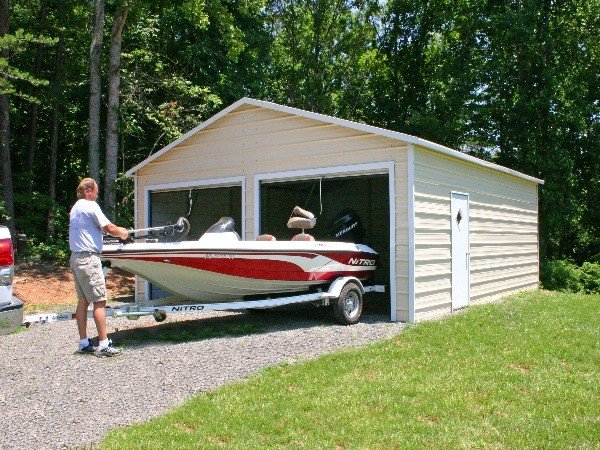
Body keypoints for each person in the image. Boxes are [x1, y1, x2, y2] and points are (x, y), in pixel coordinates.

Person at [69, 178, 128, 357]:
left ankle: (83, 343)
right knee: (100, 301)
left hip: (76, 258)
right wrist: (123, 233)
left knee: (83, 301)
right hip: (88, 259)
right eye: (95, 191)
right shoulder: (90, 205)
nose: (96, 195)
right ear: (88, 191)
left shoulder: (75, 208)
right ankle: (103, 345)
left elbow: (90, 229)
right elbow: (109, 227)